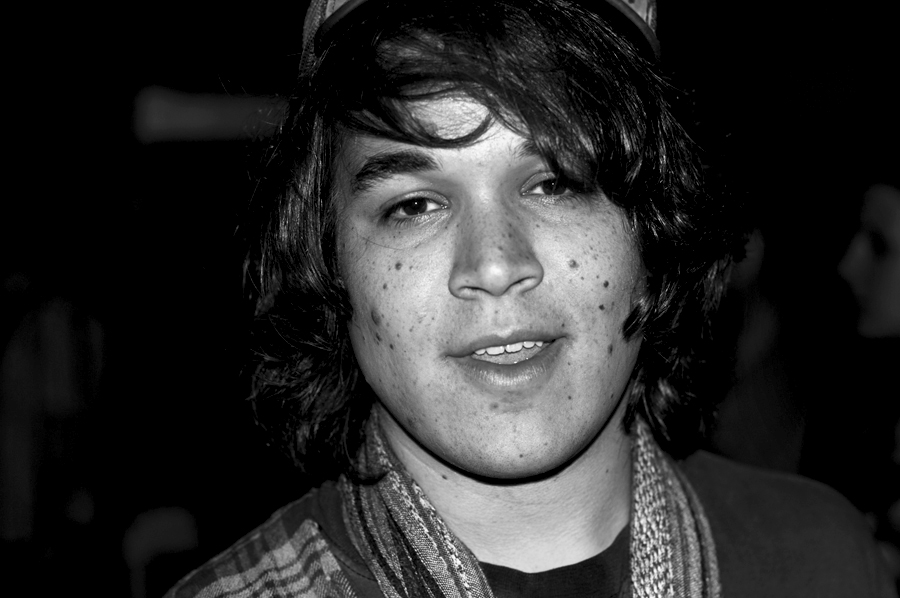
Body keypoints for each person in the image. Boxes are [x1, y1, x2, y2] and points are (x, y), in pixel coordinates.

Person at [166, 1, 895, 596]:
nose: (494, 265)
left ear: (655, 230)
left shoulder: (822, 556)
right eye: (415, 205)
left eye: (554, 183)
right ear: (327, 259)